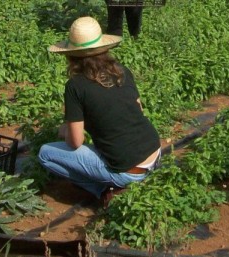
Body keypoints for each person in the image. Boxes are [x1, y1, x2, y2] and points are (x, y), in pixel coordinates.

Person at [39, 16, 161, 206]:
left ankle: (103, 191)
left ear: (71, 56)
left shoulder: (75, 86)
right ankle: (119, 183)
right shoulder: (121, 70)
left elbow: (76, 141)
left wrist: (64, 130)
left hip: (128, 170)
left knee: (45, 154)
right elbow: (138, 108)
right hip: (154, 153)